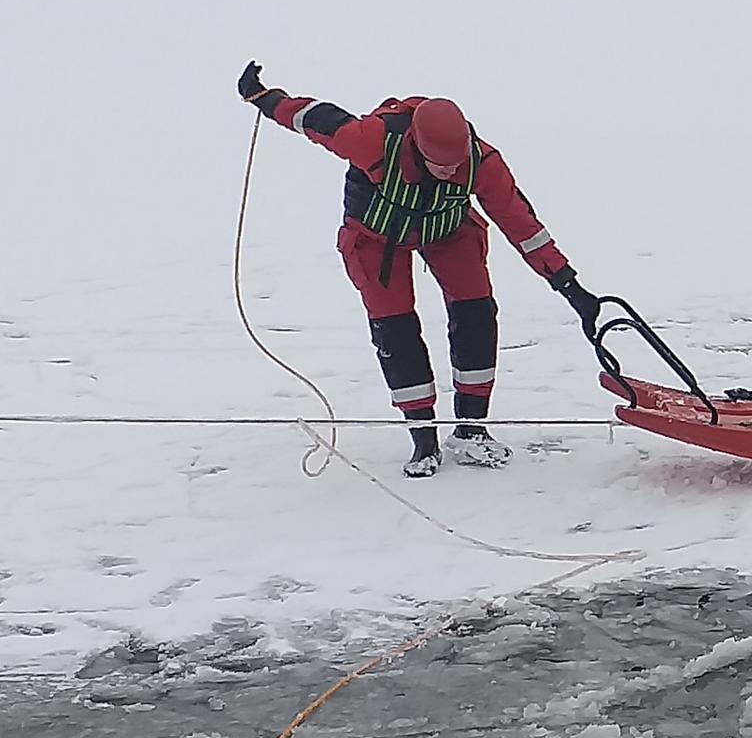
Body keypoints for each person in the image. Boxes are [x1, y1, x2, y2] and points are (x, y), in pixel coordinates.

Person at [236, 62, 603, 478]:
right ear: (417, 146)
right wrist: (263, 98)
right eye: (440, 165)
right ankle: (423, 439)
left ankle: (470, 429)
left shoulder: (481, 162)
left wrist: (568, 285)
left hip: (448, 232)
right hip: (377, 241)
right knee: (395, 330)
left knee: (477, 313)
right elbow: (313, 118)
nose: (451, 172)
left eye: (455, 165)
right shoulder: (371, 140)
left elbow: (521, 224)